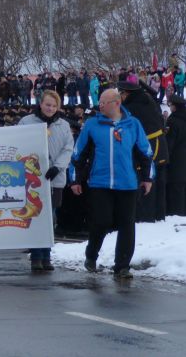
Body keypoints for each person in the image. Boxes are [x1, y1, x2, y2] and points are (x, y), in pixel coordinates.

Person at [70, 89, 153, 279]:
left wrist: (148, 178)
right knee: (101, 221)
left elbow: (145, 153)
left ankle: (122, 266)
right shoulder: (92, 125)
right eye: (99, 103)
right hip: (100, 183)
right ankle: (91, 255)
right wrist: (75, 179)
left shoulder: (133, 124)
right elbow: (78, 155)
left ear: (116, 103)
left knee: (127, 224)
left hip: (128, 184)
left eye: (103, 102)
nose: (100, 106)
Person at [18, 91, 74, 271]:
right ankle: (36, 256)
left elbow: (68, 148)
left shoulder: (64, 125)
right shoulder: (27, 122)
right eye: (47, 104)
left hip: (55, 177)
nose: (50, 108)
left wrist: (58, 166)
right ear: (41, 104)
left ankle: (47, 255)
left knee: (51, 218)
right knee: (36, 217)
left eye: (54, 105)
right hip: (33, 177)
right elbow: (18, 143)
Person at [117, 81, 168, 222]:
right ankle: (159, 215)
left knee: (145, 180)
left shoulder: (131, 107)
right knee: (158, 183)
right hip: (159, 145)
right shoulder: (148, 100)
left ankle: (145, 218)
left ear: (125, 93)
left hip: (147, 146)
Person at [166, 95, 186, 216]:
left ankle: (176, 214)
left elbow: (169, 144)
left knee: (175, 190)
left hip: (176, 161)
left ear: (174, 107)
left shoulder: (173, 121)